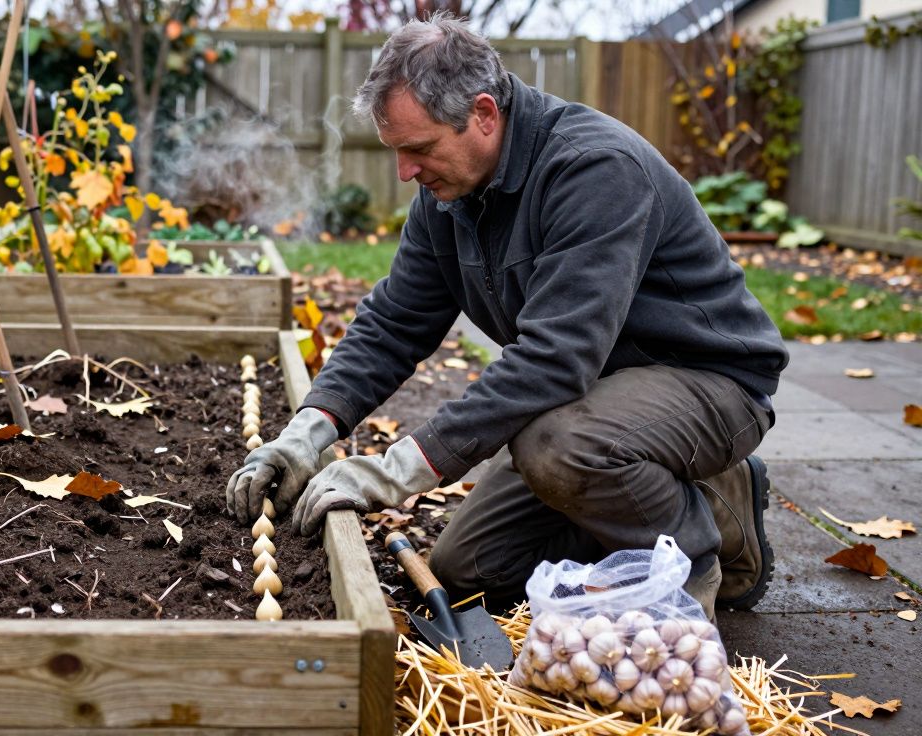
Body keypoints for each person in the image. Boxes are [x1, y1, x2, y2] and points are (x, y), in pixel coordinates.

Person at [225, 14, 788, 619]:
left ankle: (702, 546)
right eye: (397, 151)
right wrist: (307, 432)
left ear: (485, 114)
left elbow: (555, 360)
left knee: (557, 447)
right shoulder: (451, 193)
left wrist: (392, 473)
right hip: (594, 398)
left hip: (706, 382)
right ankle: (639, 493)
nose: (404, 172)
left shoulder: (596, 170)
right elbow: (394, 323)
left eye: (418, 148)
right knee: (469, 568)